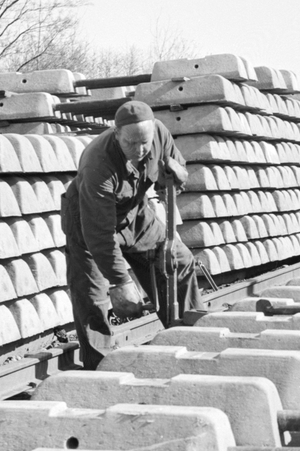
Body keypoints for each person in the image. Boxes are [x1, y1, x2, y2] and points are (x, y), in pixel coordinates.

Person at [61, 100, 202, 365]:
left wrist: (176, 177)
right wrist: (121, 282)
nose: (139, 150)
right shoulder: (97, 164)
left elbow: (178, 169)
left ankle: (189, 339)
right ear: (117, 134)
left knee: (179, 261)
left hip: (134, 213)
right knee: (93, 295)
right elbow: (100, 235)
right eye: (130, 143)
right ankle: (99, 365)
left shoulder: (159, 133)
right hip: (88, 221)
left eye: (144, 143)